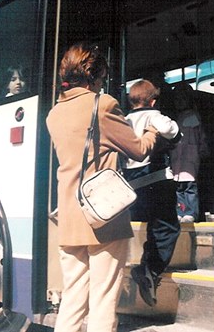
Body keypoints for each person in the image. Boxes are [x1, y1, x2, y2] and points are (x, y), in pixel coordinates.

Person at [46, 43, 159, 332]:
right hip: (103, 216)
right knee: (103, 300)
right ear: (94, 76)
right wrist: (152, 129)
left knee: (72, 300)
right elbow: (139, 150)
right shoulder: (104, 105)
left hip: (70, 218)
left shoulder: (54, 114)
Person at [123, 79, 182, 307]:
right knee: (167, 226)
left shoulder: (125, 120)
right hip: (156, 179)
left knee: (153, 224)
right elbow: (173, 132)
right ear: (153, 100)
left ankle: (147, 266)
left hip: (133, 183)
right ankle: (150, 268)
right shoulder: (155, 116)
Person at [170, 82, 208, 223]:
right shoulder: (178, 117)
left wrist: (203, 149)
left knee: (190, 187)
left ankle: (190, 212)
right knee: (180, 188)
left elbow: (200, 136)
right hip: (179, 159)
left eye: (182, 99)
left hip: (189, 158)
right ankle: (181, 211)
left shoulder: (192, 116)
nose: (179, 102)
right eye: (177, 99)